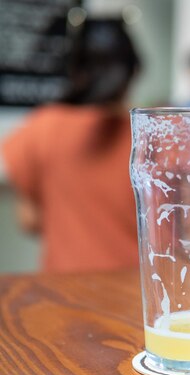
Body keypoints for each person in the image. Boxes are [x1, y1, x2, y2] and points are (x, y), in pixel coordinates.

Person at [1, 19, 141, 272]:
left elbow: (29, 220)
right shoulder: (153, 135)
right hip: (134, 293)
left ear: (74, 71)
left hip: (64, 293)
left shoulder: (44, 126)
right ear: (135, 71)